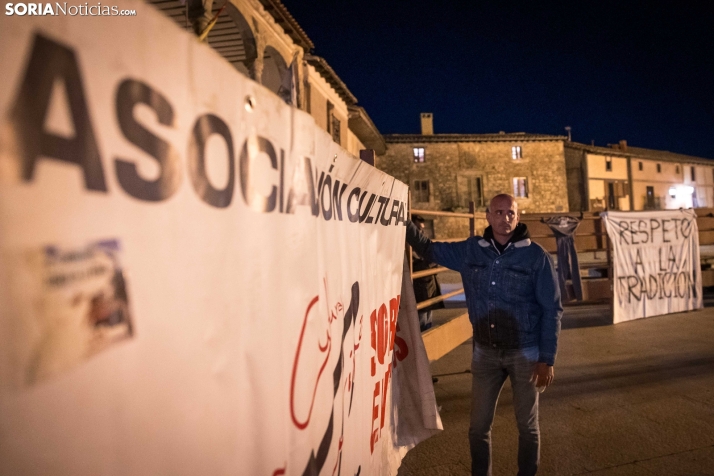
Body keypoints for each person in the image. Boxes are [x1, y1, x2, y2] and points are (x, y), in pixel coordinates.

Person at [405, 194, 562, 476]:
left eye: (510, 213)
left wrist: (546, 358)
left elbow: (552, 309)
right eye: (499, 213)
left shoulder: (535, 256)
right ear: (488, 217)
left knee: (527, 427)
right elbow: (428, 249)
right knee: (478, 428)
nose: (505, 219)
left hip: (524, 351)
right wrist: (402, 221)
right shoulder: (471, 251)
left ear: (518, 216)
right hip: (485, 352)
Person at [410, 215, 444, 331]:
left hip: (428, 287)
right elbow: (414, 266)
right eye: (419, 228)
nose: (422, 231)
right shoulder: (408, 245)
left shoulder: (423, 243)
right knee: (421, 326)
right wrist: (431, 261)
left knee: (428, 323)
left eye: (423, 228)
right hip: (419, 290)